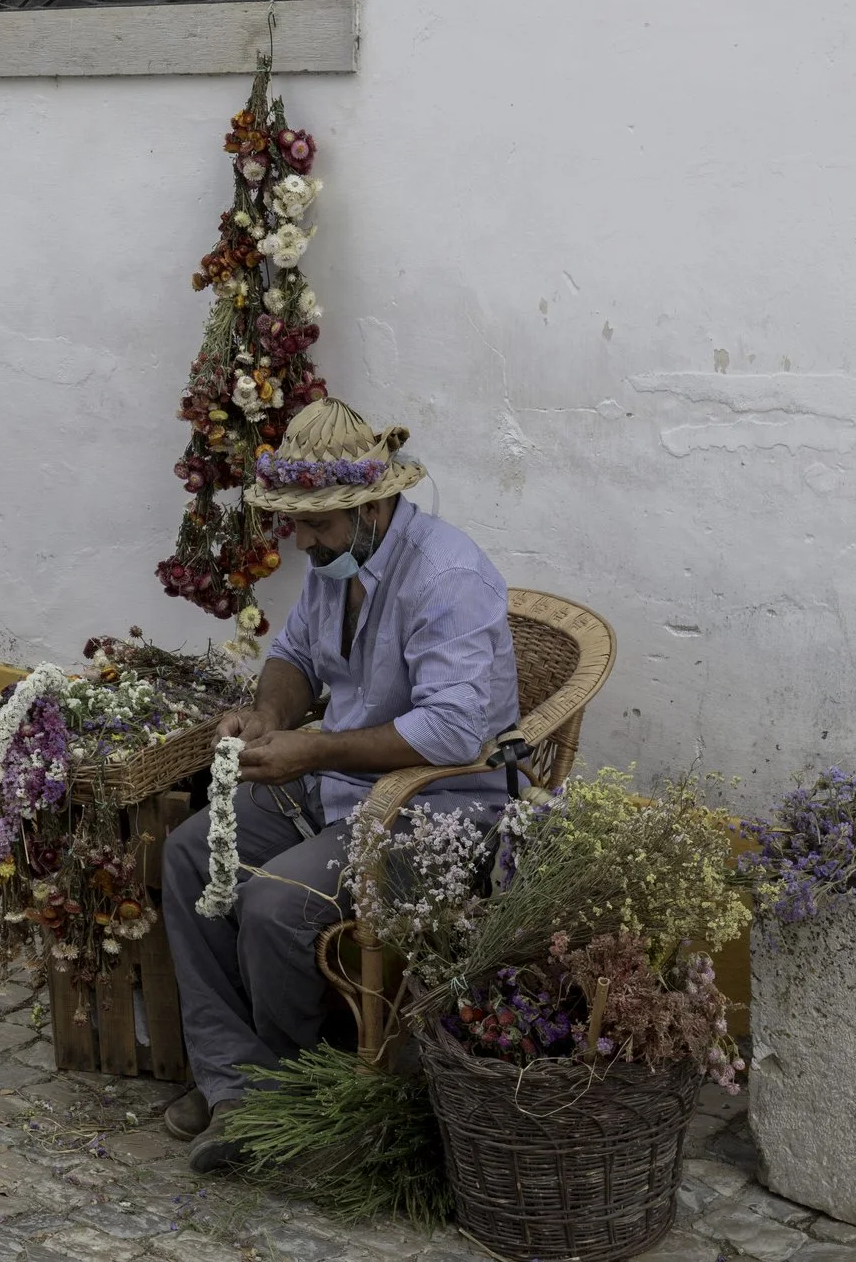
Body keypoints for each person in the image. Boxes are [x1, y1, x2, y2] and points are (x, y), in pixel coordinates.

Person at [160, 397, 520, 1172]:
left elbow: (454, 732)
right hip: (341, 790)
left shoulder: (447, 575)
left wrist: (313, 749)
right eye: (297, 523)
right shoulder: (338, 562)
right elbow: (293, 658)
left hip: (441, 810)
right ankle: (236, 1085)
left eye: (317, 524)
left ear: (372, 505)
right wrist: (267, 716)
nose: (304, 540)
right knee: (190, 852)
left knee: (276, 904)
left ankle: (300, 1102)